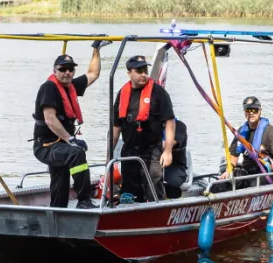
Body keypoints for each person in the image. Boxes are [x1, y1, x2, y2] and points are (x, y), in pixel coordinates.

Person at [33, 42, 105, 209]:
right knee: (76, 154)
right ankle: (84, 201)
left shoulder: (71, 86)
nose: (67, 73)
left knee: (60, 181)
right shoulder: (49, 88)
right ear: (54, 71)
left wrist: (96, 49)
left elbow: (93, 73)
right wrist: (71, 139)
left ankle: (57, 211)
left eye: (70, 69)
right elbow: (50, 119)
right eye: (62, 69)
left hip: (60, 146)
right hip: (46, 146)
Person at [110, 54, 177, 203]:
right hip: (129, 150)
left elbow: (170, 122)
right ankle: (131, 216)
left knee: (154, 184)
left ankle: (158, 213)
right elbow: (116, 126)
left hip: (152, 150)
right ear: (129, 73)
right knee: (130, 192)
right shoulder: (122, 93)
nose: (144, 74)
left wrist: (167, 151)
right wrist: (109, 152)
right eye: (139, 71)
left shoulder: (158, 92)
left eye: (145, 70)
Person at [222, 95, 273, 188]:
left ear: (260, 111)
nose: (251, 113)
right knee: (226, 183)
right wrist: (228, 171)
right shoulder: (241, 132)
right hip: (247, 170)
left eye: (254, 110)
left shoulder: (270, 132)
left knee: (253, 185)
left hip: (264, 172)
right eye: (248, 110)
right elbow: (234, 155)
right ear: (244, 112)